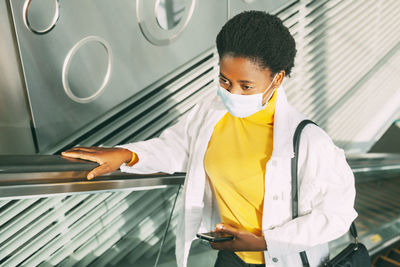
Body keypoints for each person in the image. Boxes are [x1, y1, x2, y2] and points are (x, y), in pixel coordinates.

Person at [62, 11, 357, 267]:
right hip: (230, 257)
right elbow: (179, 146)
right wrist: (126, 155)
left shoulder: (309, 141)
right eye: (225, 80)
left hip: (282, 258)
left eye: (246, 85)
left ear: (277, 79)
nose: (233, 93)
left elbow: (337, 214)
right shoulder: (212, 111)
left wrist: (266, 242)